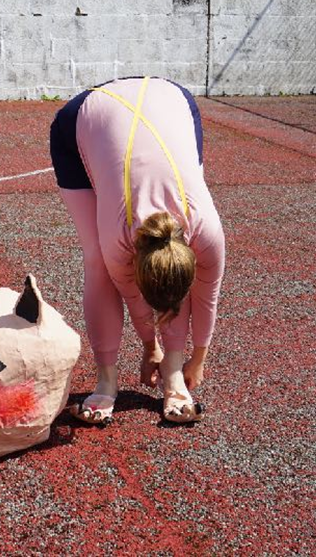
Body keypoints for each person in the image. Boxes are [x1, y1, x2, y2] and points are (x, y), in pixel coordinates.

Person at [49, 76, 225, 424]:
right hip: (85, 117)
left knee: (149, 281)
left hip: (171, 103)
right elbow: (132, 295)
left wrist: (196, 358)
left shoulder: (208, 234)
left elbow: (207, 295)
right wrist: (150, 347)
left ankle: (173, 378)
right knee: (97, 261)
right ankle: (106, 381)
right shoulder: (120, 239)